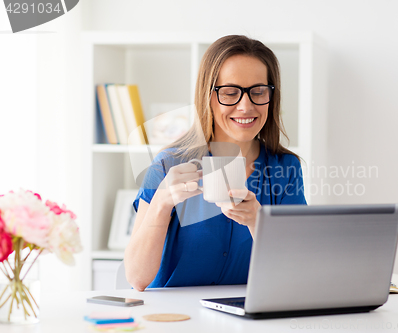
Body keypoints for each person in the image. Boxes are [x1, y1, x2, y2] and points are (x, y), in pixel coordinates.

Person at [124, 35, 307, 291]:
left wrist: (257, 222)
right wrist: (162, 202)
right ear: (207, 96)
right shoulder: (168, 165)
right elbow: (136, 278)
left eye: (258, 92)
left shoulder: (285, 168)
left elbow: (293, 275)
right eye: (231, 93)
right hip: (176, 321)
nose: (246, 106)